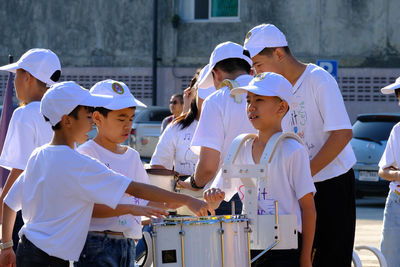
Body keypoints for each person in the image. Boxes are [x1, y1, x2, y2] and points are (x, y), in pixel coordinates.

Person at [0, 81, 211, 266]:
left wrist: (7, 246)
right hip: (51, 258)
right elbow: (133, 188)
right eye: (87, 115)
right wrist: (186, 199)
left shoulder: (39, 155)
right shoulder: (79, 162)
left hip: (29, 248)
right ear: (67, 120)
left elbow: (9, 203)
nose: (92, 120)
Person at [244, 24, 356, 266]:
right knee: (297, 259)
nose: (256, 72)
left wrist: (304, 174)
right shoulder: (274, 90)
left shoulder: (318, 79)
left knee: (330, 258)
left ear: (279, 53)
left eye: (259, 65)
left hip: (331, 185)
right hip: (299, 189)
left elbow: (342, 134)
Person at [204, 72, 316, 267]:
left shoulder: (294, 150)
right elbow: (217, 199)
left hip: (285, 249)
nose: (251, 106)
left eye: (259, 99)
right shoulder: (239, 147)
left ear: (281, 107)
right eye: (248, 100)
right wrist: (213, 197)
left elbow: (308, 208)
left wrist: (305, 257)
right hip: (246, 245)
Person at [74, 79, 166, 266]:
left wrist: (183, 201)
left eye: (131, 119)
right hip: (96, 244)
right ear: (98, 118)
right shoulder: (86, 154)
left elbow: (147, 200)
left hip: (128, 244)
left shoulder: (132, 156)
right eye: (121, 119)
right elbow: (85, 208)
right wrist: (133, 209)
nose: (128, 126)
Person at [179, 42, 257, 215]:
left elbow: (208, 166)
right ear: (250, 70)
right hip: (272, 192)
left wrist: (193, 183)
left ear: (216, 73)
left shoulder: (216, 100)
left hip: (225, 197)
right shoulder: (270, 93)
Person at [0, 48, 61, 251]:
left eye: (16, 74)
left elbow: (20, 171)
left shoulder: (24, 114)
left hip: (26, 213)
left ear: (28, 77)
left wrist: (2, 207)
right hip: (58, 213)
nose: (14, 81)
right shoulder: (64, 115)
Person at [151, 68, 215, 176]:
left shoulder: (229, 126)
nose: (209, 100)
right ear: (192, 93)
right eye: (203, 93)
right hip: (183, 191)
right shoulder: (175, 127)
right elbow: (158, 166)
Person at [378, 78, 400, 267]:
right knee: (390, 260)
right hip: (397, 201)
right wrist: (397, 175)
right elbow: (383, 170)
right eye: (399, 98)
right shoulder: (398, 130)